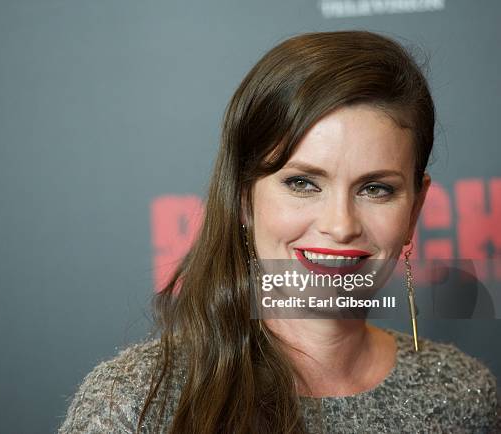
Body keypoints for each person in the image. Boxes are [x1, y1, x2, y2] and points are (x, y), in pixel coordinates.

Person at [58, 31, 500, 433]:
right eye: (303, 183)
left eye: (375, 188)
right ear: (243, 198)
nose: (340, 225)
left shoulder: (461, 394)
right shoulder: (135, 403)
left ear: (415, 208)